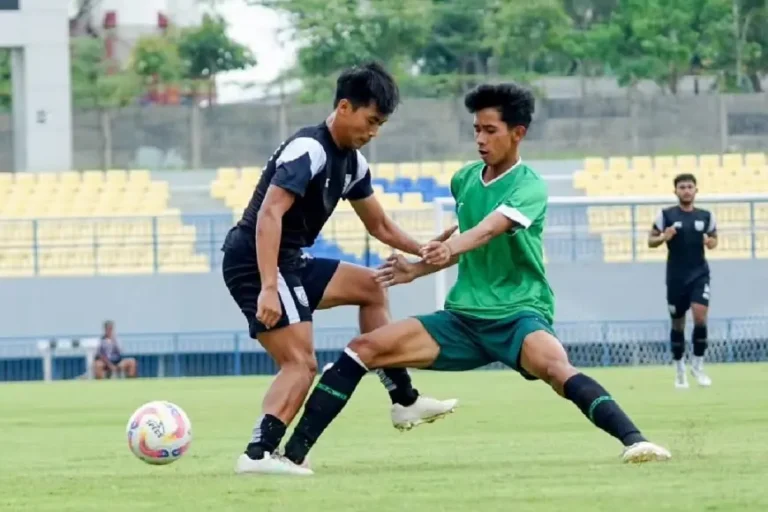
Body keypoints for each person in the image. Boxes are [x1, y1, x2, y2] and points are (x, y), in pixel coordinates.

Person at [266, 82, 672, 475]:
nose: (480, 138)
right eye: (476, 129)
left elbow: (488, 230)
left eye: (490, 130)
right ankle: (293, 456)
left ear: (518, 134)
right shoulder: (463, 180)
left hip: (518, 315)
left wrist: (446, 250)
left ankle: (636, 441)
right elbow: (464, 245)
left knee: (555, 369)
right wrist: (416, 269)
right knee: (362, 349)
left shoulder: (530, 185)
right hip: (462, 320)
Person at [222, 61, 457, 476]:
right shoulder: (309, 149)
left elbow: (380, 225)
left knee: (371, 286)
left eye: (380, 124)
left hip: (290, 258)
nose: (373, 132)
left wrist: (425, 248)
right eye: (370, 121)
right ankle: (257, 455)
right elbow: (268, 216)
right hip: (254, 258)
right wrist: (268, 286)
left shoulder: (353, 164)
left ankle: (403, 401)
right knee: (301, 363)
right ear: (344, 107)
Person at [648, 173, 717, 389]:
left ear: (696, 190)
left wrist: (710, 241)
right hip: (676, 277)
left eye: (689, 187)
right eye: (682, 187)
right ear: (675, 191)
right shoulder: (666, 215)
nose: (686, 190)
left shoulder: (706, 216)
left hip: (699, 274)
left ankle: (698, 365)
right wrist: (663, 238)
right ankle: (679, 369)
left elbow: (714, 240)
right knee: (678, 323)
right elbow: (651, 240)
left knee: (700, 316)